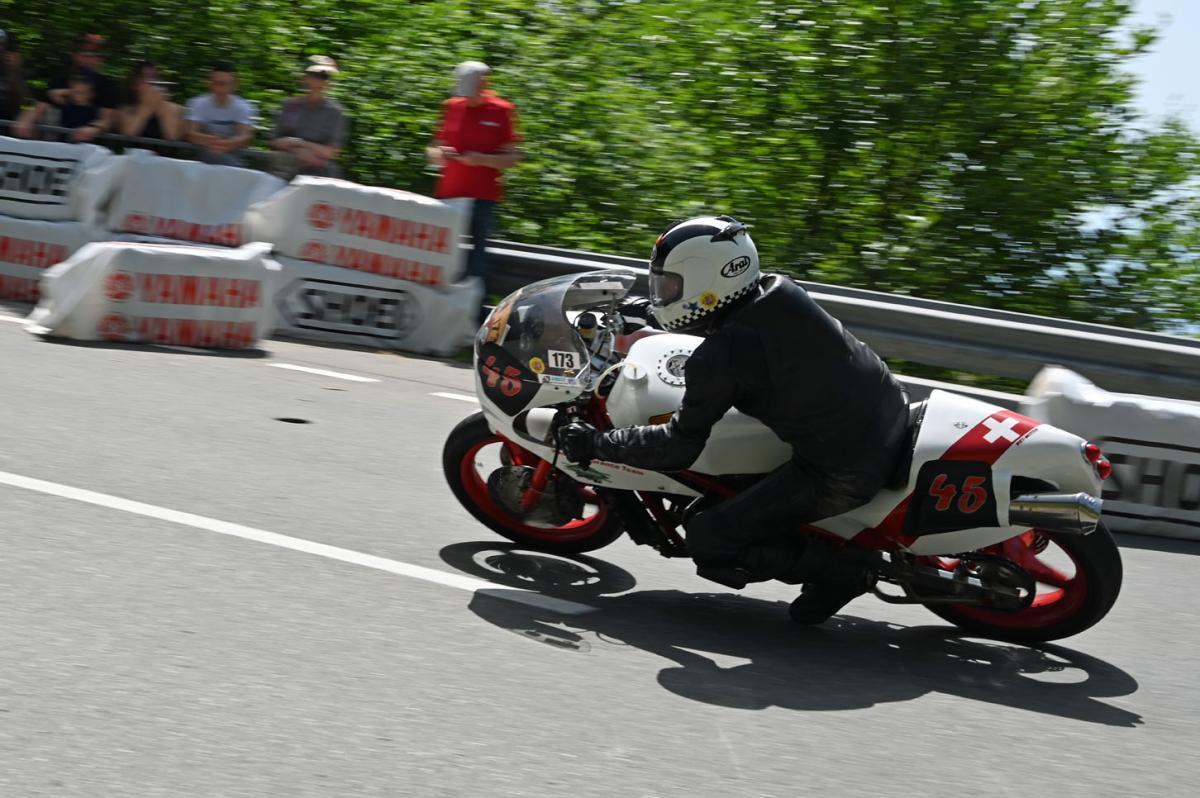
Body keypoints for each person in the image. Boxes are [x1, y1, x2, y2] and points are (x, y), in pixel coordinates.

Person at [556, 216, 912, 625]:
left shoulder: (722, 356)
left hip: (845, 468)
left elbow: (677, 447)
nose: (662, 295)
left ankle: (847, 573)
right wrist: (644, 311)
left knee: (711, 537)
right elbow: (720, 322)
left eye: (670, 286)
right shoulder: (779, 291)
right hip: (883, 406)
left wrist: (599, 444)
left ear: (710, 282)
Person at [425, 60, 522, 286]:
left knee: (477, 259)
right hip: (449, 195)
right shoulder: (451, 107)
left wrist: (482, 160)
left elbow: (514, 158)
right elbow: (433, 148)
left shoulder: (502, 110)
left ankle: (474, 303)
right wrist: (439, 154)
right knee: (445, 253)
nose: (467, 98)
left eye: (472, 93)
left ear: (484, 84)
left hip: (482, 198)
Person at [13, 33, 118, 140]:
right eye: (84, 53)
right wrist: (26, 120)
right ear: (74, 55)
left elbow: (107, 118)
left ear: (100, 59)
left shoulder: (106, 85)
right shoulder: (60, 80)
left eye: (94, 54)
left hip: (91, 145)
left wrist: (93, 128)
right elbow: (39, 108)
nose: (89, 59)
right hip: (57, 141)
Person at [268, 55, 347, 180]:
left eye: (326, 77)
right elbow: (275, 142)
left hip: (319, 171)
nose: (321, 81)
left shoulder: (334, 112)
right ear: (305, 78)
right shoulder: (290, 105)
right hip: (285, 166)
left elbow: (331, 152)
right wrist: (299, 152)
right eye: (316, 76)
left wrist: (301, 143)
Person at [185, 60, 256, 166]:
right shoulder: (197, 103)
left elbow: (245, 137)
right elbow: (190, 133)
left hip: (232, 158)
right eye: (215, 83)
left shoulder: (243, 107)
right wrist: (209, 140)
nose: (219, 88)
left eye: (223, 84)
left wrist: (227, 144)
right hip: (203, 158)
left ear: (234, 85)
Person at [119, 60, 182, 142]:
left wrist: (162, 105)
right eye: (146, 78)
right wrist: (147, 106)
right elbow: (129, 133)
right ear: (134, 84)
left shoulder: (174, 109)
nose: (152, 83)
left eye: (155, 78)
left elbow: (172, 136)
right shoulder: (125, 109)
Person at [0, 29, 28, 122]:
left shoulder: (12, 65)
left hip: (7, 121)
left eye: (2, 44)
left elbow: (25, 102)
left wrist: (14, 72)